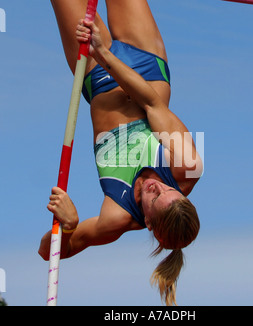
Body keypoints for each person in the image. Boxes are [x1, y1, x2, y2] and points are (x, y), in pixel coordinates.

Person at [39, 0, 203, 306]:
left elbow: (48, 252)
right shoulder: (187, 167)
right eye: (170, 190)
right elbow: (153, 103)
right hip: (147, 63)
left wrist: (70, 225)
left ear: (149, 225)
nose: (157, 185)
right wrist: (103, 52)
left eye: (154, 197)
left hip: (97, 77)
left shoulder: (116, 215)